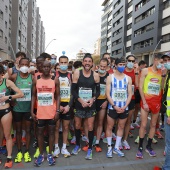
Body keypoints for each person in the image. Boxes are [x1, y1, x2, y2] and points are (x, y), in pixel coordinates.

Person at [31, 61, 60, 166]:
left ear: (51, 67)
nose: (46, 69)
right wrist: (32, 111)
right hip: (40, 112)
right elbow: (33, 96)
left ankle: (50, 154)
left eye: (48, 67)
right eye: (44, 67)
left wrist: (57, 111)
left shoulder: (55, 79)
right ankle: (41, 155)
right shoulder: (36, 79)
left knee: (51, 133)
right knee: (40, 133)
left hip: (51, 112)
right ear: (41, 68)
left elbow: (58, 96)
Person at [71, 53, 100, 160]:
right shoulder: (77, 73)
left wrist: (93, 99)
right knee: (78, 125)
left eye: (89, 61)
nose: (87, 63)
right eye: (85, 61)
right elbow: (73, 90)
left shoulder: (95, 75)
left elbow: (98, 92)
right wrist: (80, 100)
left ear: (92, 63)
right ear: (83, 62)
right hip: (79, 104)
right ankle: (78, 145)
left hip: (90, 104)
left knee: (90, 126)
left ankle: (90, 148)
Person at [136, 53, 163, 159]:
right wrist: (144, 102)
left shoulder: (162, 72)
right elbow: (141, 87)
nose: (162, 64)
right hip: (146, 101)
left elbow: (162, 87)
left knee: (153, 125)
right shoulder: (146, 71)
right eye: (160, 62)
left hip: (156, 102)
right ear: (155, 60)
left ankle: (149, 146)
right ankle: (140, 148)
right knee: (143, 125)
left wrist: (164, 74)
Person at [106, 57, 132, 158]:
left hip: (124, 107)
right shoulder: (110, 77)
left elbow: (129, 93)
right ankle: (109, 147)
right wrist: (114, 105)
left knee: (121, 127)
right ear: (115, 65)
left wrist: (125, 106)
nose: (122, 66)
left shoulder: (128, 78)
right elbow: (107, 93)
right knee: (109, 127)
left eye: (123, 64)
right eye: (120, 64)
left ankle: (117, 147)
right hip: (113, 107)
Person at [9, 58, 33, 163]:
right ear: (19, 65)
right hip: (17, 108)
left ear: (29, 66)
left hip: (28, 109)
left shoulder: (32, 78)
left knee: (28, 131)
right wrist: (11, 101)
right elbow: (9, 89)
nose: (24, 66)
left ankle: (27, 151)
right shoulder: (14, 77)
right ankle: (19, 151)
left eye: (26, 64)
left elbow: (34, 94)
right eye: (22, 64)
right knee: (18, 131)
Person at [0, 64, 23, 168]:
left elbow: (20, 94)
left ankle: (9, 158)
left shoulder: (7, 82)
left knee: (7, 135)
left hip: (5, 110)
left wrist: (8, 97)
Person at [53, 55, 73, 158]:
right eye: (62, 63)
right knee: (56, 127)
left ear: (68, 63)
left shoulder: (71, 76)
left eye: (65, 63)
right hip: (57, 105)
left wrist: (69, 106)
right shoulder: (54, 75)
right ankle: (56, 147)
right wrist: (58, 105)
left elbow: (73, 93)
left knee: (66, 127)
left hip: (67, 105)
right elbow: (52, 92)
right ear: (59, 63)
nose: (64, 64)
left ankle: (64, 147)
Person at [153, 52, 170, 170]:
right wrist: (164, 75)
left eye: (169, 60)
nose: (166, 63)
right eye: (164, 61)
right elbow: (163, 89)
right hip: (167, 112)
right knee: (168, 143)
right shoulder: (168, 74)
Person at [122, 54, 138, 150]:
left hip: (131, 99)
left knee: (128, 120)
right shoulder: (121, 70)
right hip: (121, 99)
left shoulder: (135, 72)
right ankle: (118, 138)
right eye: (129, 60)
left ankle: (125, 139)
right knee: (119, 121)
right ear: (126, 61)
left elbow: (137, 85)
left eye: (133, 61)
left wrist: (136, 73)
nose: (131, 63)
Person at [94, 58, 109, 152]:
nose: (102, 68)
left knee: (100, 122)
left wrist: (107, 100)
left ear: (107, 66)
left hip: (103, 101)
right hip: (93, 101)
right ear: (98, 65)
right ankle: (93, 138)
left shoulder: (109, 76)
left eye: (104, 66)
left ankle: (97, 141)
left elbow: (111, 90)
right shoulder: (94, 74)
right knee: (92, 122)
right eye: (101, 66)